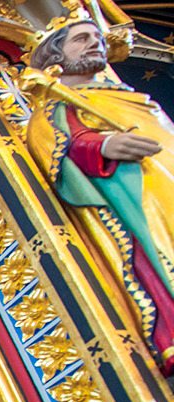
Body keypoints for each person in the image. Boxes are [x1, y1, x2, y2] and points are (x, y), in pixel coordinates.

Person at [25, 18, 174, 373]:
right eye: (80, 39)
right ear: (56, 55)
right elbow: (56, 145)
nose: (94, 43)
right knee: (159, 248)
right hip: (134, 194)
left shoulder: (134, 98)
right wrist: (104, 146)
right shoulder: (57, 107)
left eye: (97, 37)